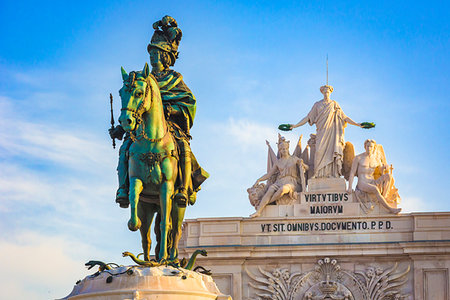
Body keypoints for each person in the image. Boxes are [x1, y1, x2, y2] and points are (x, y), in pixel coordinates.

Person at [110, 16, 206, 208]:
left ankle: (185, 188)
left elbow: (189, 103)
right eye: (151, 53)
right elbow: (134, 104)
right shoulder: (143, 79)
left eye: (156, 53)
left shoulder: (174, 78)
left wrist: (171, 109)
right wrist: (121, 129)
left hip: (169, 125)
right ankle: (123, 188)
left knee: (183, 147)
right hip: (142, 128)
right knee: (125, 148)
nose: (152, 57)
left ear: (164, 55)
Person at [290, 85, 361, 178]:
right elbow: (308, 117)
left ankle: (333, 174)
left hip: (332, 133)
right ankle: (318, 174)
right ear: (322, 93)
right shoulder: (317, 105)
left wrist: (357, 124)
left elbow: (344, 117)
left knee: (332, 152)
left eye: (328, 92)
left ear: (330, 92)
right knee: (319, 152)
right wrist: (295, 125)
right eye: (324, 92)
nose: (326, 93)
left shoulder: (334, 104)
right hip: (321, 132)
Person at [250, 135, 308, 218]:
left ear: (288, 149)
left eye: (285, 149)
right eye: (282, 149)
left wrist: (302, 164)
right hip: (280, 182)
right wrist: (259, 180)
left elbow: (307, 167)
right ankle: (259, 212)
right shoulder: (278, 162)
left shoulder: (294, 159)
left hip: (292, 182)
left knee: (283, 189)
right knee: (270, 190)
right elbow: (269, 174)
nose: (284, 150)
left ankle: (266, 203)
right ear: (280, 151)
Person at [347, 139, 401, 214]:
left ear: (374, 148)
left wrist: (385, 167)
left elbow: (380, 171)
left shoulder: (376, 159)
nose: (369, 148)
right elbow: (352, 173)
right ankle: (390, 209)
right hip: (362, 183)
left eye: (371, 147)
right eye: (367, 146)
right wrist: (349, 187)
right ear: (365, 147)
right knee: (375, 189)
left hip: (372, 181)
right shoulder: (358, 158)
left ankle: (384, 198)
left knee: (388, 176)